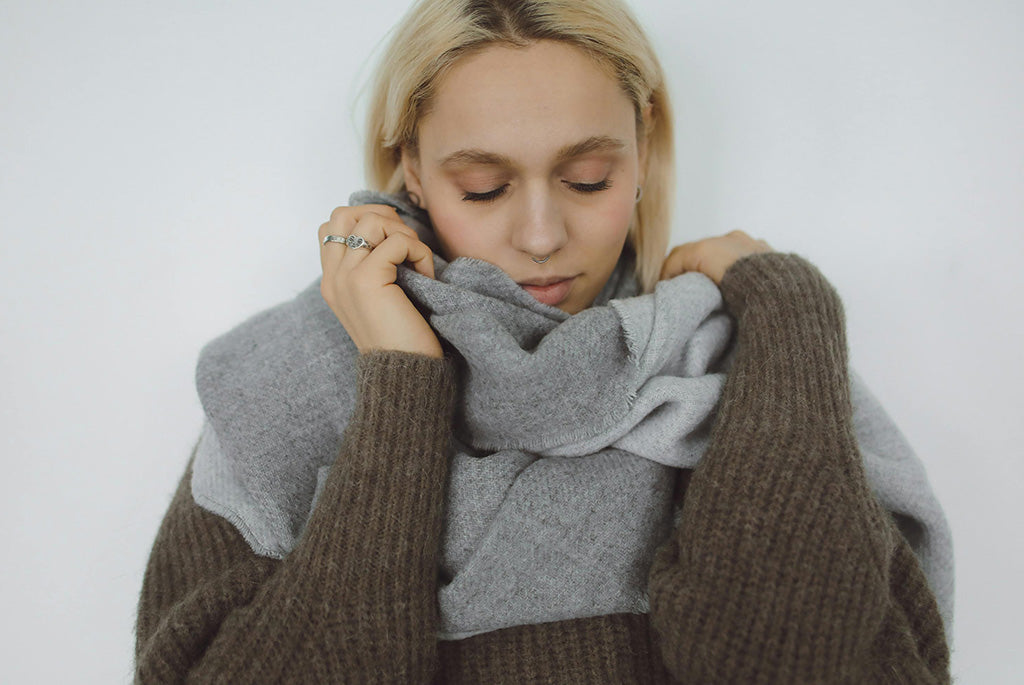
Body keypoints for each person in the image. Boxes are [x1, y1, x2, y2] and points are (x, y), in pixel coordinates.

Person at [134, 0, 953, 682]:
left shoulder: (751, 362)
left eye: (588, 177)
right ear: (409, 170)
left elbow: (799, 664)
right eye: (483, 187)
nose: (539, 234)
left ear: (642, 150)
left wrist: (790, 309)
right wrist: (400, 386)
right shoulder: (281, 382)